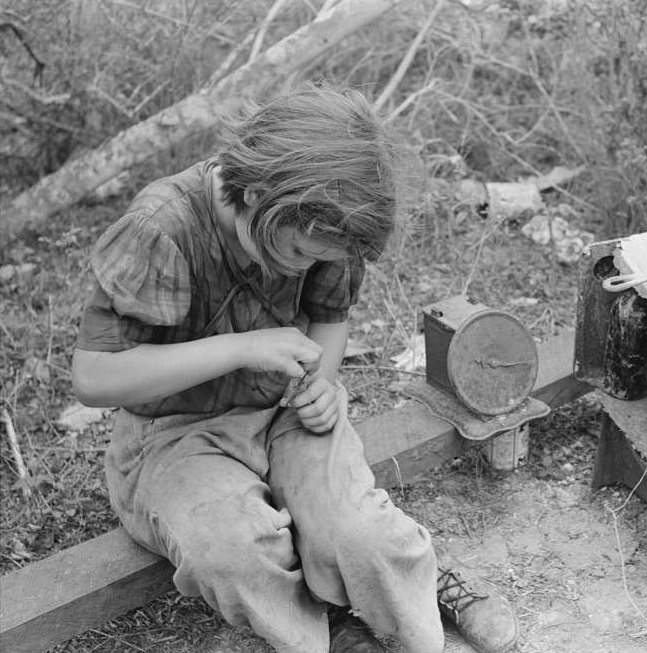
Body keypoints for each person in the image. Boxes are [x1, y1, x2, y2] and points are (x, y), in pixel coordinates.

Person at [71, 85, 518, 653]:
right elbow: (94, 377)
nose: (310, 266)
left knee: (360, 534)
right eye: (301, 253)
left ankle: (417, 600)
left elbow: (329, 318)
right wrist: (241, 347)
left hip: (280, 411)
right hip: (173, 435)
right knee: (232, 550)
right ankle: (329, 629)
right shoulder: (164, 227)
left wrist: (321, 384)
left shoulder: (323, 222)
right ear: (258, 195)